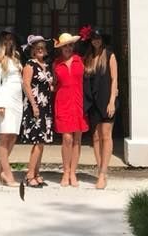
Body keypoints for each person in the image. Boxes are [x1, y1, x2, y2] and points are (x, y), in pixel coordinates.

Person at [82, 26, 119, 190]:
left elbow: (114, 79)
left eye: (98, 38)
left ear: (102, 40)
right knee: (95, 137)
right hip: (92, 102)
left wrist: (112, 100)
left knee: (106, 135)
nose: (96, 40)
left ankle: (103, 173)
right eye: (93, 38)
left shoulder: (109, 55)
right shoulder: (88, 57)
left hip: (106, 100)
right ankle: (100, 170)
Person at [52, 32, 87, 187]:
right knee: (67, 138)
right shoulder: (56, 64)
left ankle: (73, 172)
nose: (68, 48)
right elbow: (53, 83)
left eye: (70, 45)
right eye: (65, 46)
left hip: (78, 103)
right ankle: (65, 172)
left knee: (77, 139)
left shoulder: (81, 61)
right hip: (63, 103)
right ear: (61, 48)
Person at [20, 34, 54, 188]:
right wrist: (34, 105)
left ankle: (37, 173)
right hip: (35, 107)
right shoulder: (29, 65)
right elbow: (26, 86)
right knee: (38, 142)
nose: (40, 50)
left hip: (45, 107)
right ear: (32, 50)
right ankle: (29, 175)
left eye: (42, 47)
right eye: (37, 48)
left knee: (42, 142)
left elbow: (47, 86)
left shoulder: (45, 66)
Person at [0, 27, 23, 187]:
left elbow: (21, 80)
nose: (9, 41)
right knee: (4, 137)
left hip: (18, 101)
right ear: (2, 42)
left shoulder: (16, 58)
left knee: (14, 136)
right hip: (6, 99)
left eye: (12, 39)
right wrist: (0, 104)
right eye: (6, 39)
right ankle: (7, 173)